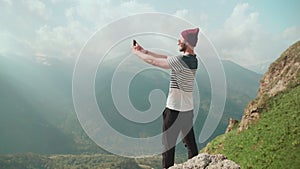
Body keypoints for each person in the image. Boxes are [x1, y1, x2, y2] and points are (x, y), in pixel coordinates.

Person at [132, 28, 199, 169]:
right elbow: (165, 58)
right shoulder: (192, 60)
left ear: (187, 42)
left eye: (181, 39)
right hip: (187, 110)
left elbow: (155, 62)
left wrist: (137, 53)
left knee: (168, 147)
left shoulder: (181, 60)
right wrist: (144, 51)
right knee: (191, 145)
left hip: (173, 110)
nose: (178, 41)